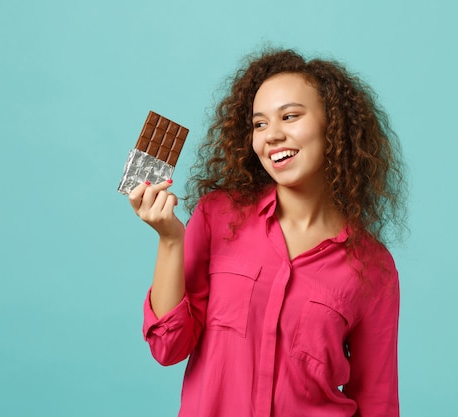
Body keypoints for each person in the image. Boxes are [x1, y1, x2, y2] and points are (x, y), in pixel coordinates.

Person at [128, 48, 406, 417]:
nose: (271, 136)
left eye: (290, 116)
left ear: (334, 126)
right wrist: (169, 239)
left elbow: (377, 399)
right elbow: (169, 348)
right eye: (259, 124)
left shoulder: (373, 267)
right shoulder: (218, 216)